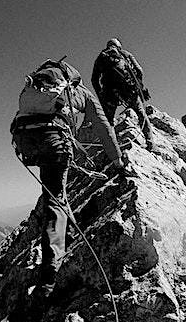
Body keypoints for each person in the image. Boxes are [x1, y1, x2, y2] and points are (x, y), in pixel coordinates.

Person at [11, 59, 124, 297]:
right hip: (54, 140)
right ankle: (50, 273)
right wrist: (117, 160)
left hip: (26, 139)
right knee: (55, 201)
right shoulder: (79, 91)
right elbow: (103, 126)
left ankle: (69, 234)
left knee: (54, 192)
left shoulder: (38, 88)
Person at [91, 38, 153, 146]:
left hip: (110, 93)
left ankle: (112, 148)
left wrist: (101, 95)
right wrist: (139, 86)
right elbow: (139, 71)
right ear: (119, 46)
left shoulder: (101, 58)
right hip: (129, 90)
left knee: (109, 121)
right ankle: (151, 143)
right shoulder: (125, 54)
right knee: (141, 114)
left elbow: (94, 79)